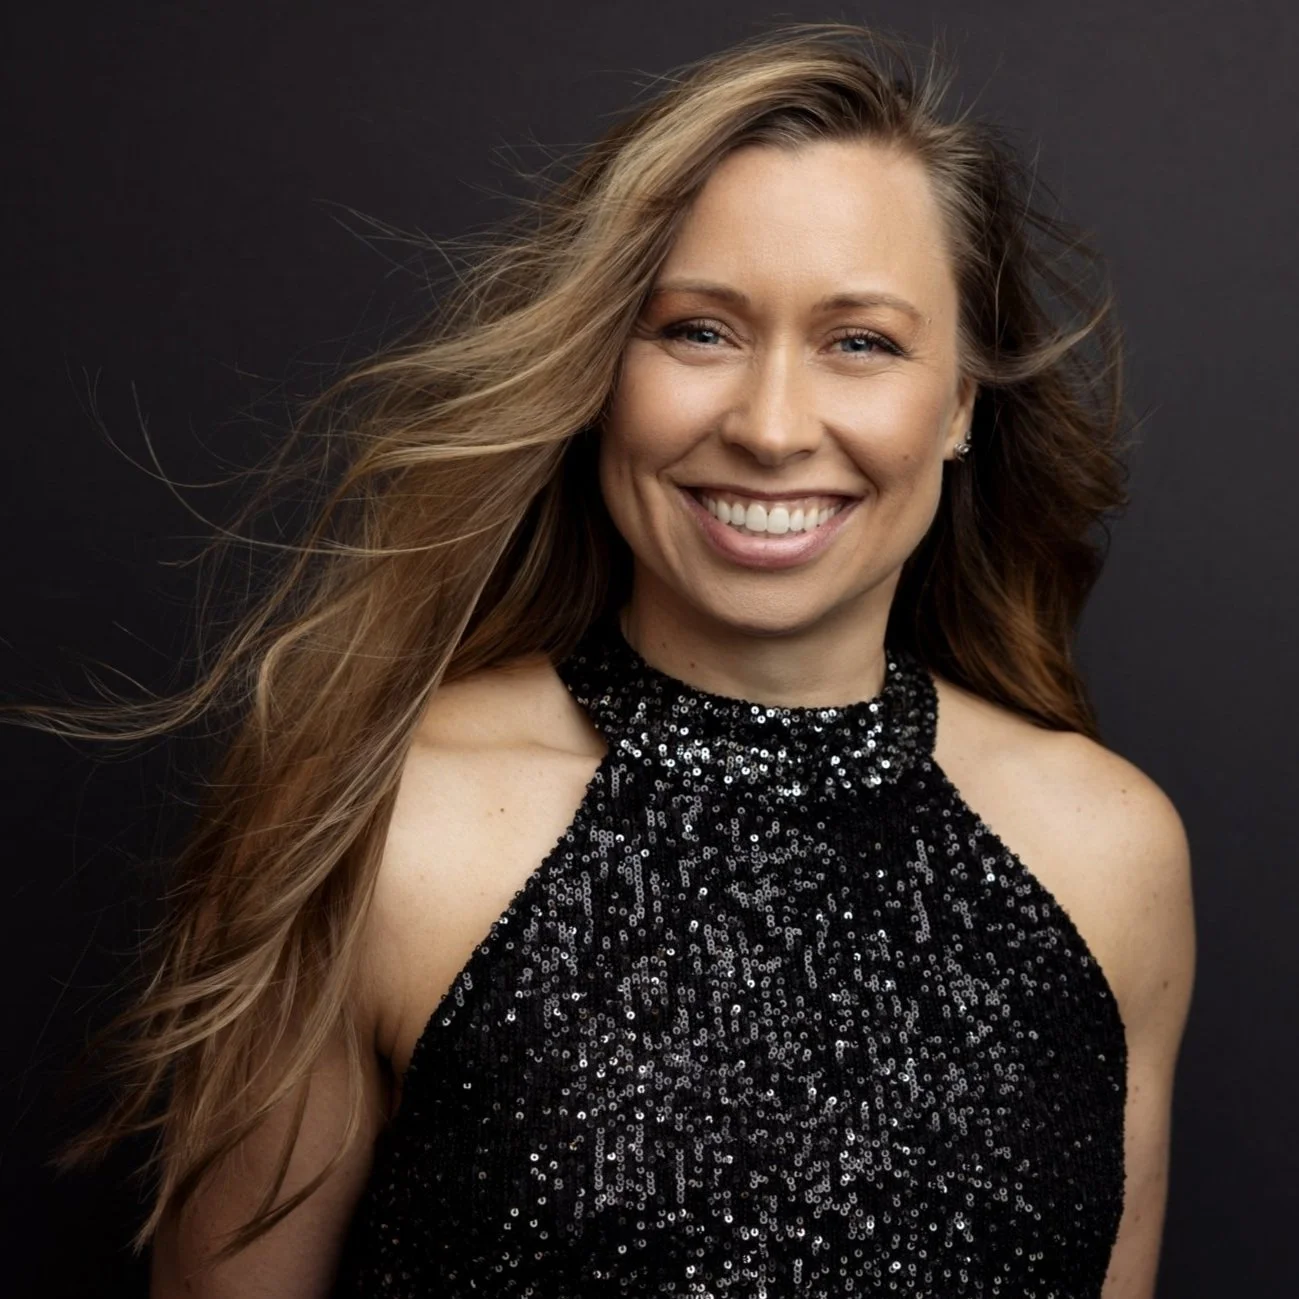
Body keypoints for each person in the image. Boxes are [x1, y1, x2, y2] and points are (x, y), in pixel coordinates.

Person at [33, 19, 1194, 1299]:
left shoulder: (1108, 856)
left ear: (963, 401)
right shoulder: (383, 826)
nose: (768, 426)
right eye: (698, 330)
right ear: (600, 370)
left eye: (861, 341)